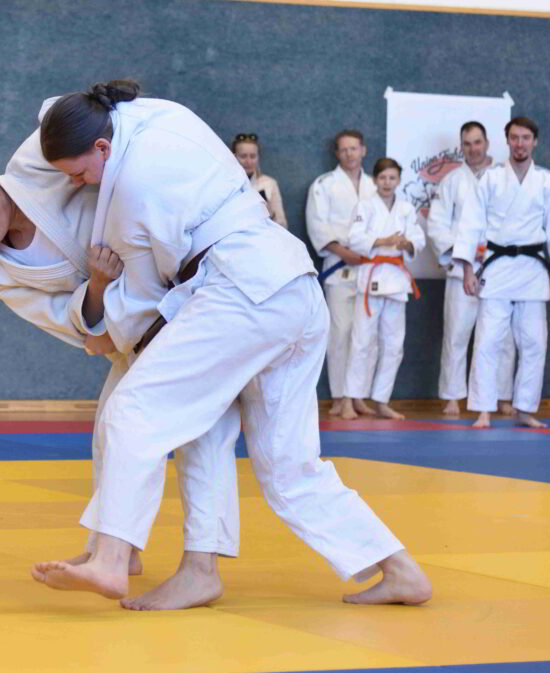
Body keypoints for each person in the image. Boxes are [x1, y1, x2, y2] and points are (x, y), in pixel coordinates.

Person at [32, 81, 431, 608]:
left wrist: (105, 327)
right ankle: (400, 570)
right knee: (289, 468)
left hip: (240, 289)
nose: (79, 184)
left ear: (102, 147)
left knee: (132, 409)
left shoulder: (132, 185)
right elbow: (60, 113)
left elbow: (150, 286)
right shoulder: (156, 116)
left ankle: (111, 558)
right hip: (293, 285)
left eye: (80, 173)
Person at [0, 126, 242, 596]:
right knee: (112, 430)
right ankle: (115, 551)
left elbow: (83, 120)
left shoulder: (36, 164)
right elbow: (81, 331)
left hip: (189, 295)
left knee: (201, 436)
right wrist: (98, 284)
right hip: (131, 331)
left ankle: (196, 566)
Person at [454, 116, 550, 429]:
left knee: (534, 343)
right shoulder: (491, 178)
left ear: (535, 141)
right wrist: (468, 268)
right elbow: (471, 223)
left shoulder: (547, 181)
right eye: (514, 138)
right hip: (497, 266)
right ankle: (483, 409)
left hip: (533, 270)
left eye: (525, 138)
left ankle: (525, 408)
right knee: (488, 340)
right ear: (507, 141)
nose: (520, 143)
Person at [427, 121, 516, 417]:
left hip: (499, 269)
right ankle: (453, 396)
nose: (473, 149)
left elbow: (517, 221)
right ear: (461, 147)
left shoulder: (505, 177)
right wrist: (463, 251)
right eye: (467, 144)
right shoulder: (452, 181)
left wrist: (496, 250)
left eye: (477, 142)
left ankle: (502, 395)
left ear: (487, 143)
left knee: (502, 337)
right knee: (456, 334)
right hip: (461, 269)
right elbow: (437, 224)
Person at [340, 158, 425, 421]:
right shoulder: (365, 206)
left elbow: (419, 239)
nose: (387, 183)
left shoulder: (406, 209)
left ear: (398, 180)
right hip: (372, 277)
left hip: (397, 281)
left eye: (392, 178)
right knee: (361, 341)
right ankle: (348, 399)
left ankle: (381, 400)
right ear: (375, 180)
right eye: (383, 178)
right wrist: (384, 240)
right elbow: (354, 238)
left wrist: (407, 244)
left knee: (394, 345)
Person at [306, 130, 378, 418]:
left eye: (354, 148)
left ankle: (357, 395)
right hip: (339, 267)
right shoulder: (324, 184)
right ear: (337, 153)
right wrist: (344, 252)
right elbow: (317, 225)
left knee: (366, 336)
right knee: (340, 334)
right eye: (344, 149)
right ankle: (339, 397)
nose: (349, 154)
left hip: (371, 268)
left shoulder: (376, 185)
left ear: (363, 150)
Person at [232, 133, 288, 228]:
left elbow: (283, 224)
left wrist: (271, 214)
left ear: (258, 157)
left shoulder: (269, 183)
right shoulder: (226, 184)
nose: (248, 161)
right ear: (234, 156)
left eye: (253, 156)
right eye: (243, 156)